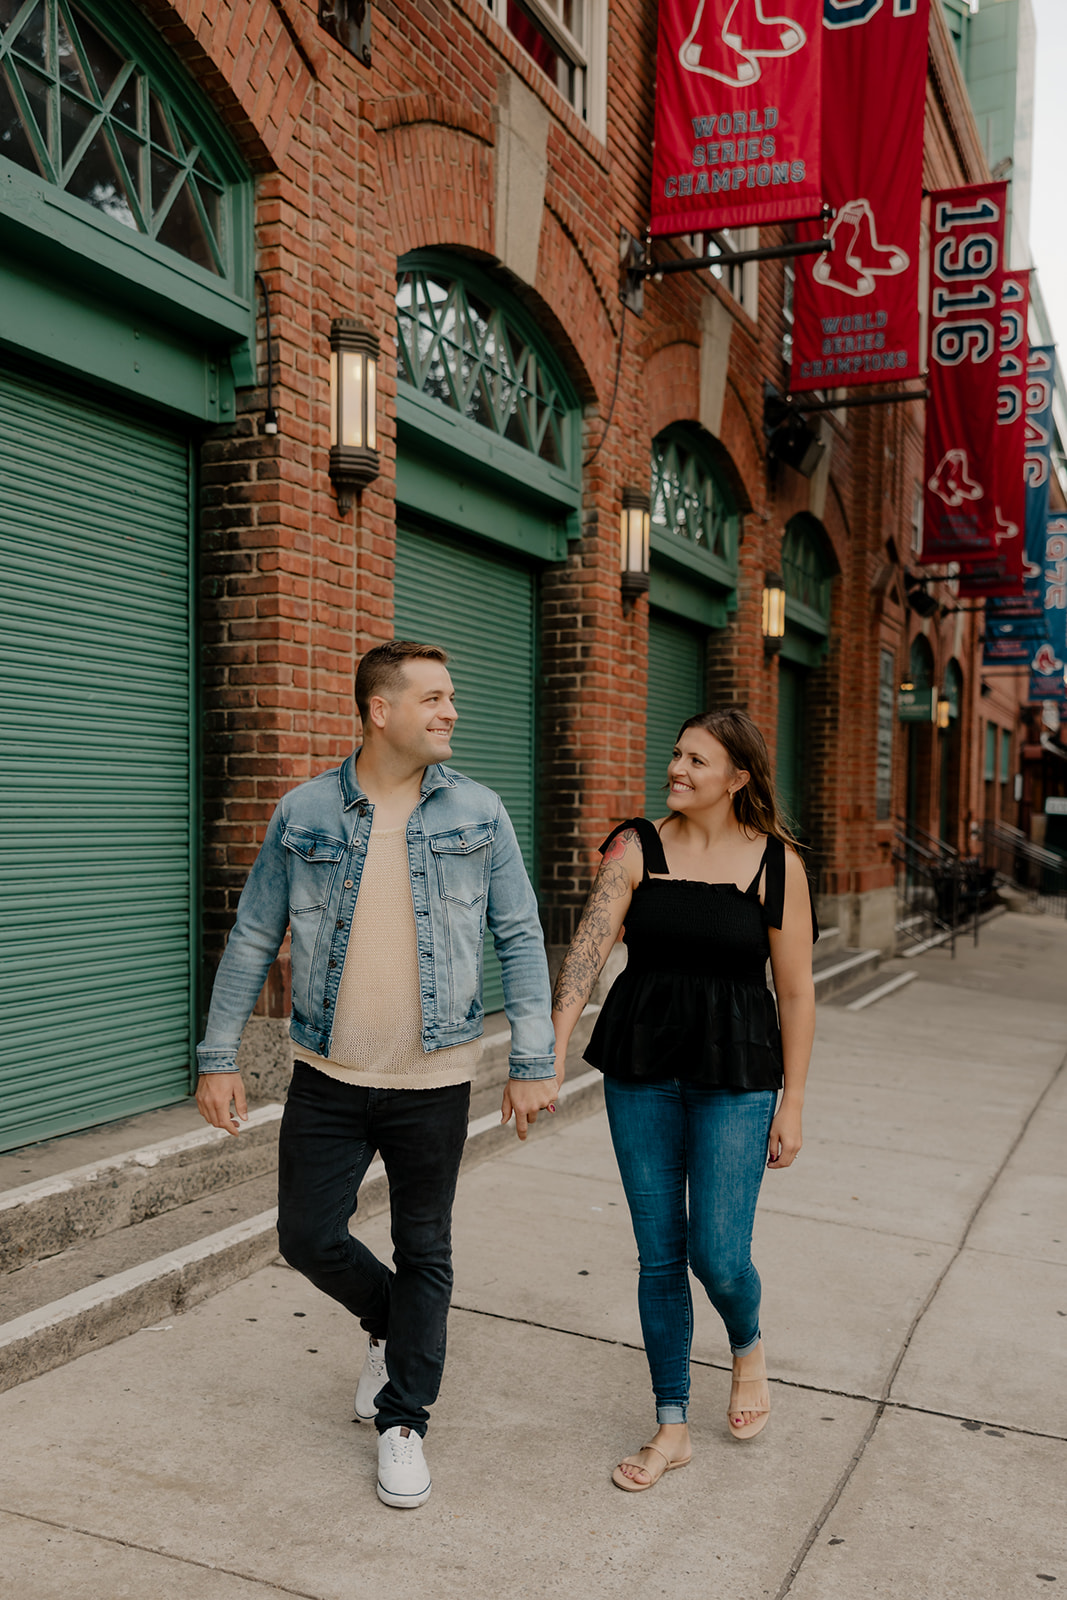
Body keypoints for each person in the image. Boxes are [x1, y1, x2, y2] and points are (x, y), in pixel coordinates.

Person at [195, 641, 558, 1509]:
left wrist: (532, 1060)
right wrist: (218, 1055)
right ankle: (391, 1325)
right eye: (433, 698)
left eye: (452, 695)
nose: (450, 712)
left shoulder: (480, 811)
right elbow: (252, 936)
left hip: (433, 1079)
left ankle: (405, 1419)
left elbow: (518, 936)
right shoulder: (305, 811)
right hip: (327, 1073)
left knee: (424, 1247)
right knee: (306, 1236)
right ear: (377, 709)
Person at [550, 708, 816, 1491]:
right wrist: (554, 1043)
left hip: (735, 1076)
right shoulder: (636, 846)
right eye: (675, 755)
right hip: (640, 1065)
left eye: (697, 761)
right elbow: (589, 947)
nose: (677, 769)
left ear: (737, 778)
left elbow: (796, 994)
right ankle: (671, 1425)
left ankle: (747, 1343)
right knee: (660, 1256)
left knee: (719, 1255)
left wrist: (792, 1102)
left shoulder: (777, 864)